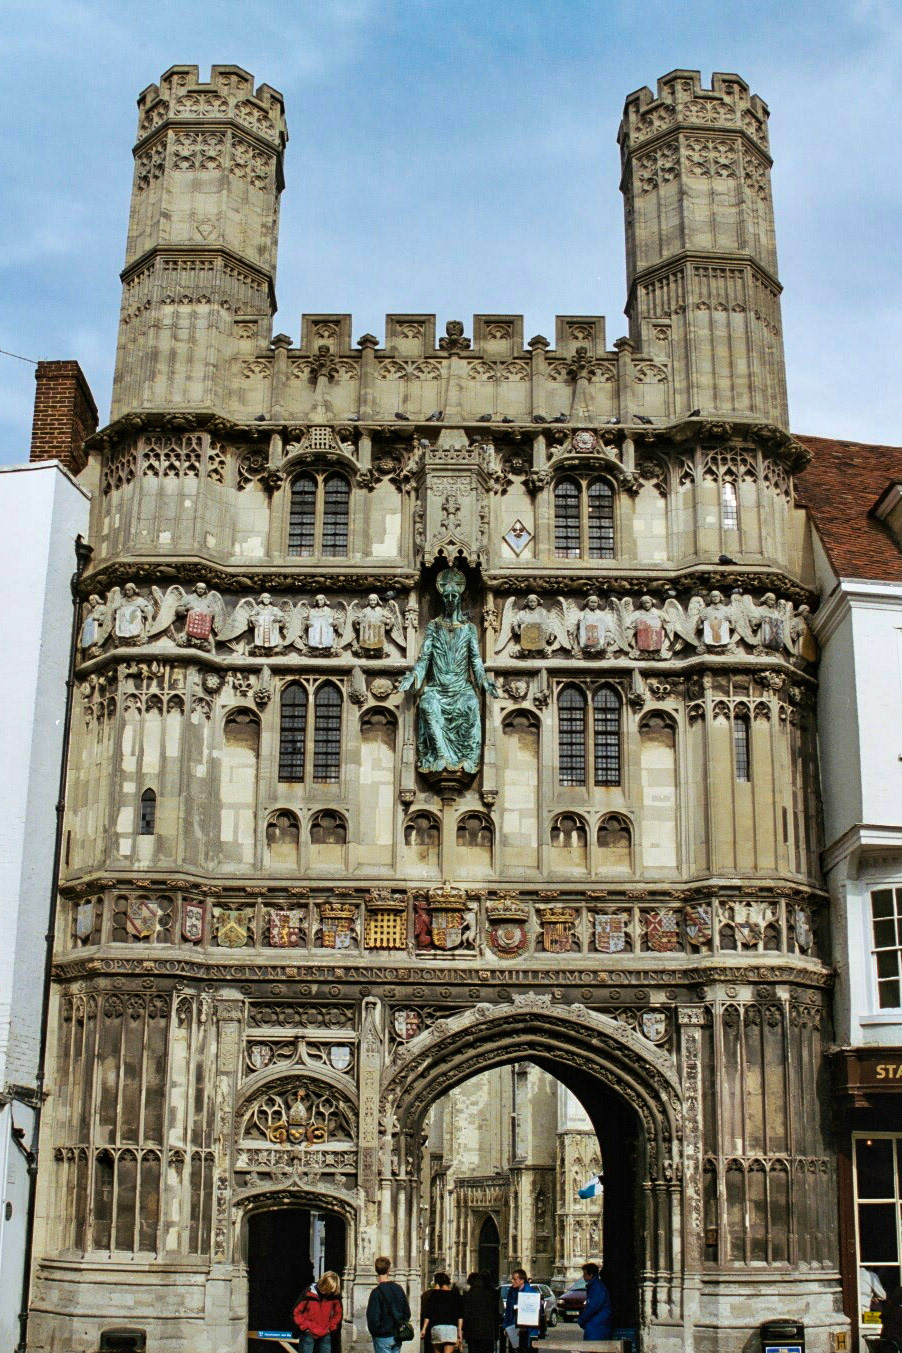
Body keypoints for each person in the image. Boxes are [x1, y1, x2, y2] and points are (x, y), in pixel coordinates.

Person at [367, 1255, 412, 1353]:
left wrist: (376, 1332)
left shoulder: (376, 1292)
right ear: (389, 1270)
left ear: (376, 1270)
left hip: (382, 1336)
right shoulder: (398, 1289)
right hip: (397, 1335)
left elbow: (373, 1317)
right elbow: (407, 1312)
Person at [293, 1271, 343, 1353]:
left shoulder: (334, 1296)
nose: (331, 1292)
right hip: (309, 1333)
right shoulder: (308, 1293)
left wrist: (331, 1327)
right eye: (330, 1289)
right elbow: (296, 1312)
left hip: (326, 1333)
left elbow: (338, 1313)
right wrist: (305, 1327)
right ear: (325, 1284)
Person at [420, 1271, 464, 1353]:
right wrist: (459, 1332)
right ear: (448, 1283)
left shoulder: (434, 1295)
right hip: (451, 1329)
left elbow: (428, 1313)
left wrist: (424, 1329)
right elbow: (460, 1316)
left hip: (437, 1328)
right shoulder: (456, 1295)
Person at [502, 1269, 541, 1352]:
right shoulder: (511, 1292)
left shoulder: (531, 1293)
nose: (512, 1281)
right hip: (513, 1329)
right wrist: (506, 1326)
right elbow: (508, 1311)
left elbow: (537, 1314)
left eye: (515, 1279)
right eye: (512, 1279)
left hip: (528, 1332)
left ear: (522, 1280)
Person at [462, 1271, 497, 1353]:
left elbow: (465, 1314)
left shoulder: (468, 1295)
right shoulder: (490, 1294)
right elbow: (495, 1313)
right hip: (487, 1332)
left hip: (472, 1332)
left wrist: (464, 1330)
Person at [577, 1263, 613, 1342]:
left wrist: (582, 1319)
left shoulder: (597, 1287)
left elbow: (593, 1307)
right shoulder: (594, 1286)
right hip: (597, 1325)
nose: (583, 1276)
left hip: (598, 1326)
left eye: (585, 1274)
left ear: (591, 1274)